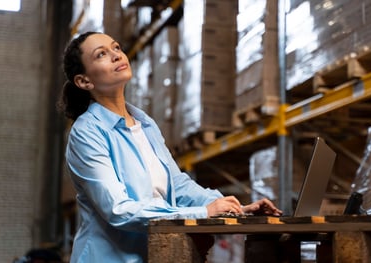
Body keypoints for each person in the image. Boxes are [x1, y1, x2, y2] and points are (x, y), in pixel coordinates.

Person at [57, 31, 282, 263]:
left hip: (154, 255)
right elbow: (118, 209)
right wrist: (204, 213)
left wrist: (232, 208)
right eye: (101, 54)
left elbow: (177, 185)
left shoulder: (144, 123)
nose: (116, 56)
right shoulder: (87, 132)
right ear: (84, 81)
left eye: (116, 47)